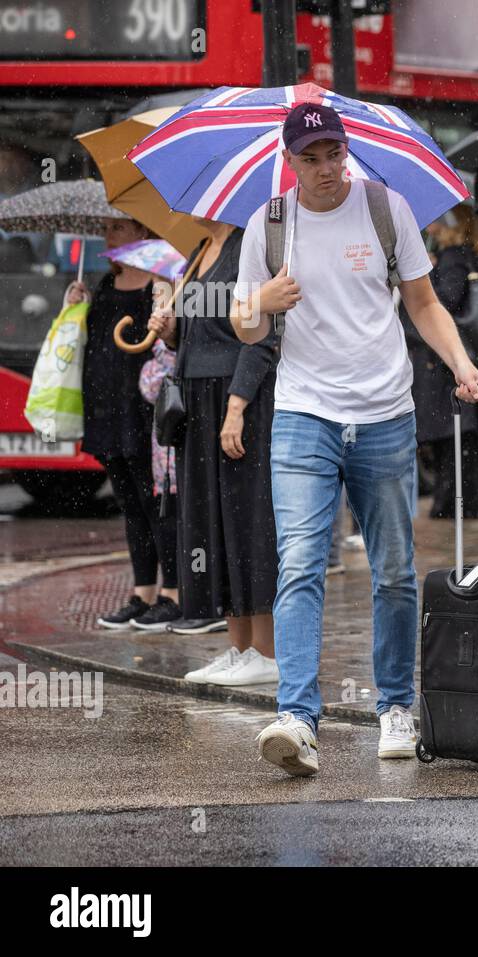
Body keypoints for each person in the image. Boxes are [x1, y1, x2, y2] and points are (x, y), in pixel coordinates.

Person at [231, 103, 478, 777]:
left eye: (334, 153)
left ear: (348, 151)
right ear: (289, 162)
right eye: (310, 157)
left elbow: (424, 302)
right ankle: (297, 717)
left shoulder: (385, 207)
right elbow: (244, 325)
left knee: (396, 569)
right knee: (300, 561)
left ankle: (396, 706)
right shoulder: (269, 225)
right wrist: (264, 305)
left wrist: (462, 364)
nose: (325, 168)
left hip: (383, 413)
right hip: (303, 415)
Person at [147, 220, 280, 685]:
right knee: (210, 521)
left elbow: (261, 334)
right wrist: (169, 331)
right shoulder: (200, 249)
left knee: (247, 520)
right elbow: (197, 335)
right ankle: (238, 647)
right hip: (196, 399)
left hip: (236, 396)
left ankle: (266, 651)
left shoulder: (250, 245)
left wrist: (238, 406)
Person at [70, 217, 182, 631]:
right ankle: (142, 592)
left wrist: (163, 303)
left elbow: (170, 345)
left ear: (143, 233)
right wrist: (74, 306)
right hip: (106, 409)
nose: (108, 234)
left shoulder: (164, 284)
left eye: (118, 227)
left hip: (145, 412)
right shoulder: (103, 284)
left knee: (157, 503)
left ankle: (173, 593)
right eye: (106, 227)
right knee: (130, 504)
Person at [416, 204, 478, 519]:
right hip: (467, 356)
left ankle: (460, 500)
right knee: (464, 431)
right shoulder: (468, 255)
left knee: (456, 432)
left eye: (435, 220)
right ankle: (475, 494)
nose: (429, 226)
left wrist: (428, 276)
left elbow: (443, 304)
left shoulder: (454, 258)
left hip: (453, 361)